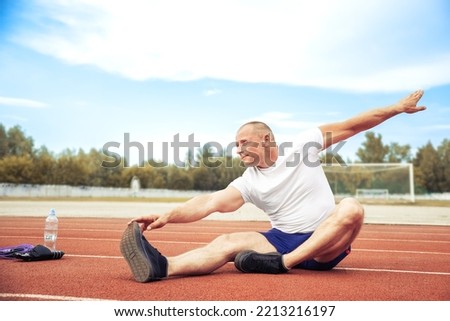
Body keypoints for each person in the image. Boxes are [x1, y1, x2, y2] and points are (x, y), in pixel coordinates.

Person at [120, 90, 426, 282]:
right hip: (281, 239)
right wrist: (166, 215)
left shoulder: (303, 145)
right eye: (235, 144)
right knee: (227, 240)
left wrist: (397, 108)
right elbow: (208, 202)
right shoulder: (249, 182)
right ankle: (163, 267)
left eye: (243, 142)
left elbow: (353, 124)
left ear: (266, 139)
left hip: (324, 243)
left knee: (351, 208)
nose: (237, 149)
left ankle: (283, 264)